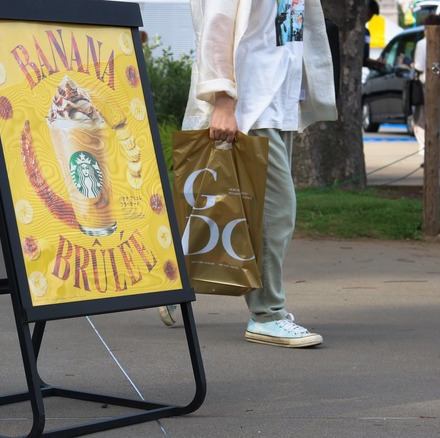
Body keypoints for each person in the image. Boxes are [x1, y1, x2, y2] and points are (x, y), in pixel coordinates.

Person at [158, 0, 337, 348]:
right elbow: (216, 27)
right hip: (251, 105)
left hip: (278, 102)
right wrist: (224, 101)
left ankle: (173, 280)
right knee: (274, 213)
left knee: (221, 206)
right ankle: (267, 314)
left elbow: (286, 32)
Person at [412, 14, 440, 162]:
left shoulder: (422, 44)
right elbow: (438, 67)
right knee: (439, 121)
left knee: (421, 121)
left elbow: (419, 66)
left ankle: (427, 152)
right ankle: (436, 150)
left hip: (426, 85)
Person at [364, 0, 386, 70]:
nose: (370, 17)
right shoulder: (366, 33)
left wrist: (375, 63)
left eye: (372, 15)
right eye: (370, 13)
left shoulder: (367, 33)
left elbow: (364, 59)